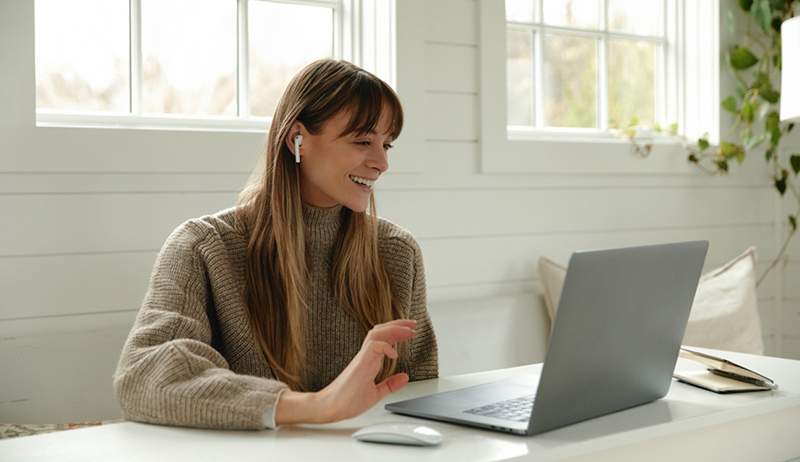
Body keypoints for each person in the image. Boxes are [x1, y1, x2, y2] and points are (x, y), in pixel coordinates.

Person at [112, 58, 438, 430]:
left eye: (387, 144)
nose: (381, 163)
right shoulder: (203, 246)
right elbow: (143, 378)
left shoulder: (397, 252)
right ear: (296, 138)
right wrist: (316, 406)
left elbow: (421, 390)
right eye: (362, 141)